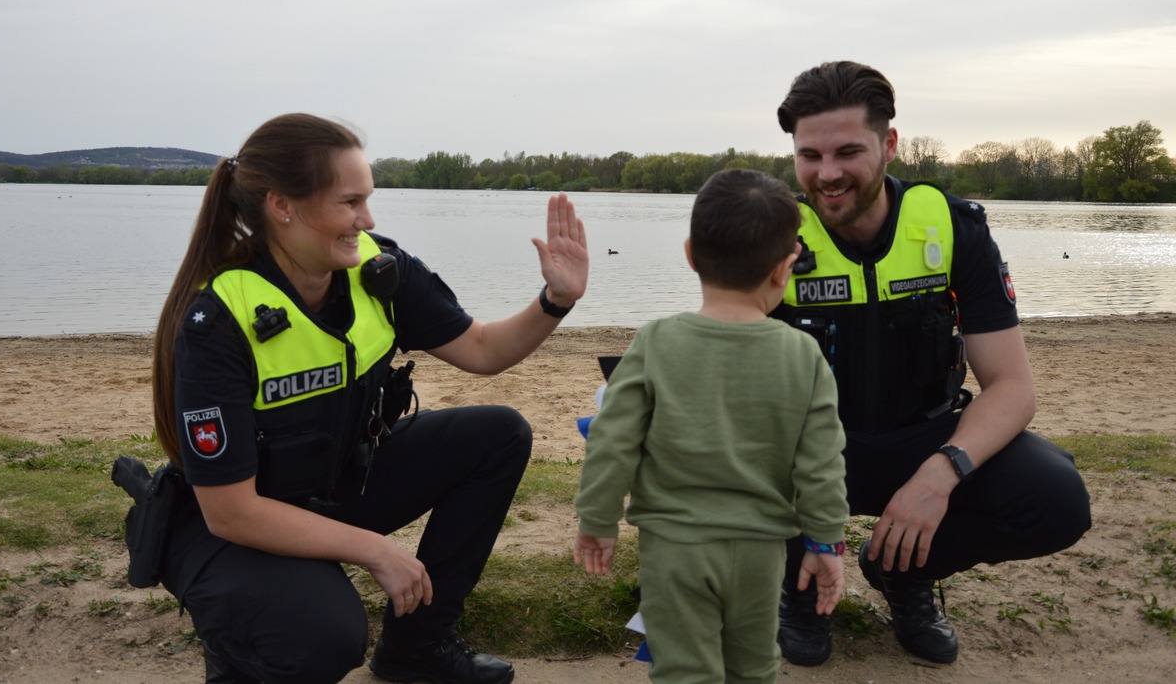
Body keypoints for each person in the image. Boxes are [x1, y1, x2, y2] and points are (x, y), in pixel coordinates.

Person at [149, 113, 588, 684]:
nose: (368, 218)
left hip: (336, 486)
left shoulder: (378, 272)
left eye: (368, 199)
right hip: (234, 526)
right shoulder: (219, 319)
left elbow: (483, 350)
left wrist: (556, 300)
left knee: (499, 435)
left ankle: (417, 651)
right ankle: (238, 656)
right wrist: (375, 551)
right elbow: (230, 510)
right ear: (283, 206)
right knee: (324, 637)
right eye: (350, 201)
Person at [771, 61, 1092, 666]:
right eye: (809, 155)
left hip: (923, 437)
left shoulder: (954, 230)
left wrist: (939, 474)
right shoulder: (773, 232)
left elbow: (1012, 388)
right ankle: (798, 585)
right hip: (809, 449)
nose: (827, 173)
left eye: (847, 151)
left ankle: (899, 568)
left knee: (1057, 498)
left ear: (889, 144)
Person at [573, 169, 850, 683]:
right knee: (754, 667)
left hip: (674, 550)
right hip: (760, 552)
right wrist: (825, 543)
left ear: (690, 254)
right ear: (786, 267)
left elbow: (613, 440)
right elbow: (821, 463)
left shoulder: (655, 341)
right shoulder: (803, 355)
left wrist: (598, 519)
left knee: (683, 670)